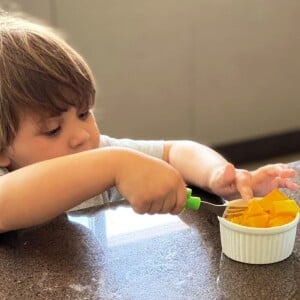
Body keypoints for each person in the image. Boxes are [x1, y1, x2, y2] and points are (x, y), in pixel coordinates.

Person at [0, 12, 297, 233]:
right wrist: (114, 165)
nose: (81, 136)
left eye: (83, 114)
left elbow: (174, 151)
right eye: (53, 129)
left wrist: (216, 174)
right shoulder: (104, 160)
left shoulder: (99, 150)